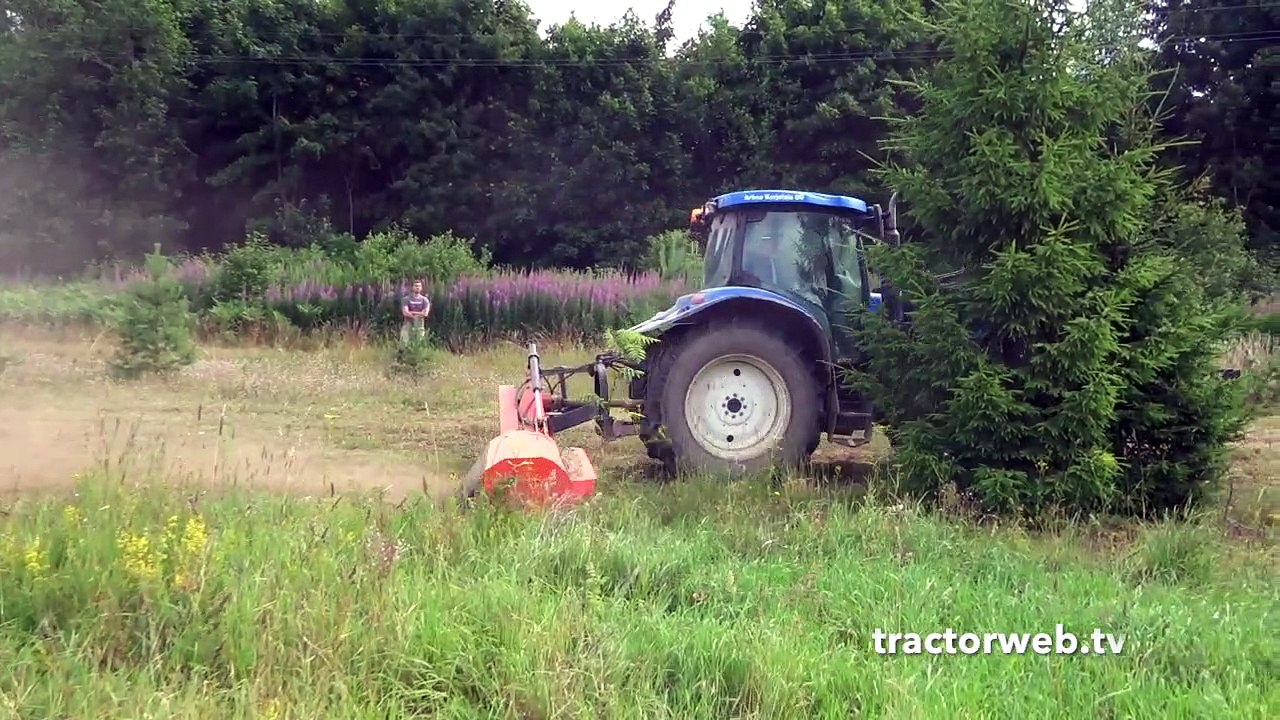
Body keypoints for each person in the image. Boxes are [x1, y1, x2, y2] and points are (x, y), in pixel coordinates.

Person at [400, 280, 430, 344]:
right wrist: (419, 314)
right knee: (404, 343)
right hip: (408, 324)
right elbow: (405, 312)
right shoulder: (406, 299)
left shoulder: (425, 300)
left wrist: (412, 313)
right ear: (412, 287)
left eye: (419, 286)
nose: (417, 287)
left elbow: (425, 313)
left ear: (421, 288)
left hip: (420, 325)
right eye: (416, 286)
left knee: (419, 344)